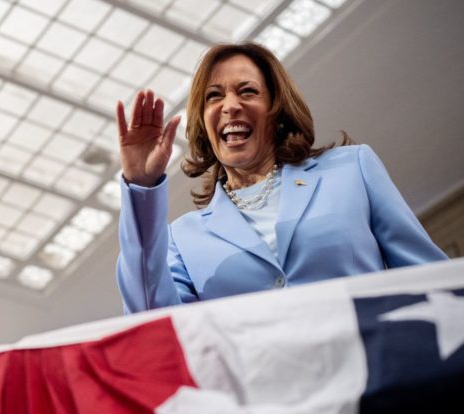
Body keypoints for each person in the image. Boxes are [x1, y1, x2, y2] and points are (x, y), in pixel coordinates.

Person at [115, 42, 447, 314]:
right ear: (203, 122)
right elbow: (153, 321)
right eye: (213, 96)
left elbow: (429, 276)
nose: (230, 106)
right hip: (267, 394)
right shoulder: (181, 240)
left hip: (379, 382)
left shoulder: (352, 169)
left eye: (247, 91)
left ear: (276, 110)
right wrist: (141, 185)